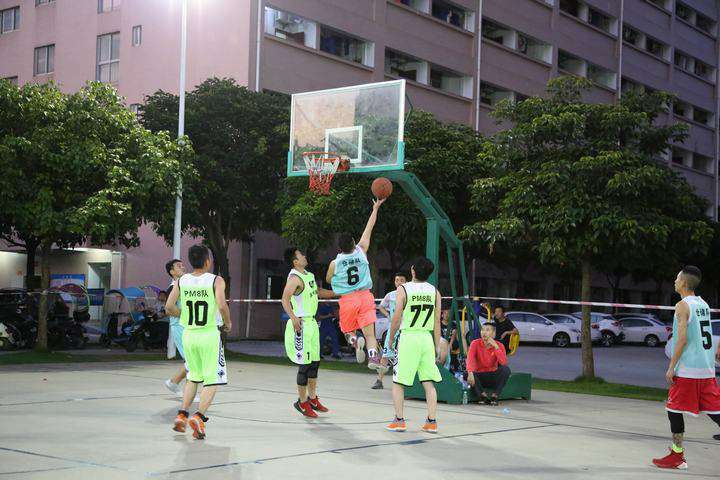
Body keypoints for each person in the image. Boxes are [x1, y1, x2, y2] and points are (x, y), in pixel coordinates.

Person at [652, 266, 720, 469]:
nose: (674, 281)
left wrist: (671, 367)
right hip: (706, 369)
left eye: (676, 278)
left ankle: (677, 456)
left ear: (683, 282)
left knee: (673, 409)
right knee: (715, 412)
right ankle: (676, 455)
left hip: (689, 370)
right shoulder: (704, 304)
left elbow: (682, 340)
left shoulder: (682, 305)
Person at [165, 245, 232, 440]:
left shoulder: (181, 281)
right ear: (207, 261)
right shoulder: (216, 280)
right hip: (209, 334)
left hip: (189, 334)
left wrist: (183, 314)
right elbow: (222, 305)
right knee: (212, 380)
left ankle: (182, 414)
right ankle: (199, 417)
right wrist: (228, 323)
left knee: (193, 377)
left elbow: (169, 307)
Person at [326, 198, 386, 372]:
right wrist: (375, 208)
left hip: (348, 299)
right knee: (370, 334)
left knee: (347, 330)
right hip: (365, 296)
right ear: (353, 243)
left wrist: (339, 280)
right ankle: (373, 357)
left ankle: (354, 340)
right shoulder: (361, 250)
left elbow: (329, 279)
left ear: (340, 248)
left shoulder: (335, 263)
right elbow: (369, 228)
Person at [385, 257, 442, 433]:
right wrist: (437, 345)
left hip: (408, 337)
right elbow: (437, 322)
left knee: (398, 382)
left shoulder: (403, 289)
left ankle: (399, 420)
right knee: (428, 382)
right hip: (426, 338)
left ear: (412, 270)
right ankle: (431, 421)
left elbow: (396, 318)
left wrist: (390, 339)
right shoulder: (435, 292)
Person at [281, 247, 337, 418]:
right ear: (295, 261)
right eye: (301, 255)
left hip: (312, 323)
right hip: (302, 323)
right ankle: (302, 402)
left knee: (315, 363)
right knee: (304, 365)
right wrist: (293, 318)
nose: (304, 256)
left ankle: (312, 399)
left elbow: (318, 292)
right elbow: (285, 299)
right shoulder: (294, 278)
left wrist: (339, 293)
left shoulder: (309, 275)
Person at [373, 272, 408, 390]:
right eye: (397, 280)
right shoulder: (391, 295)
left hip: (405, 329)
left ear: (406, 282)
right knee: (386, 354)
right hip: (392, 329)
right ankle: (379, 380)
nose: (399, 282)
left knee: (404, 356)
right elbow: (381, 306)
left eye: (402, 280)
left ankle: (403, 382)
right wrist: (388, 315)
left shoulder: (409, 294)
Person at [467, 322, 511, 406]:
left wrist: (495, 346)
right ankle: (483, 396)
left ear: (493, 333)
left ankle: (495, 395)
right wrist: (470, 372)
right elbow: (470, 359)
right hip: (479, 376)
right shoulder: (475, 343)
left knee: (506, 370)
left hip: (492, 376)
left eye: (487, 330)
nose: (484, 332)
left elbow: (504, 362)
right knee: (467, 373)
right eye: (482, 330)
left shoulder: (499, 345)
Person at [164, 259, 190, 396]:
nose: (183, 267)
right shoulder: (172, 288)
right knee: (192, 361)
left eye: (182, 265)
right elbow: (168, 309)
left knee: (193, 360)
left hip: (187, 325)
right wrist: (185, 314)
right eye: (179, 266)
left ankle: (173, 382)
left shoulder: (184, 285)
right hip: (179, 326)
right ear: (172, 271)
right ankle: (186, 392)